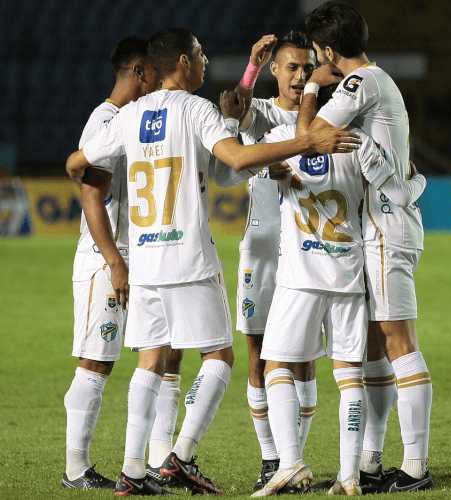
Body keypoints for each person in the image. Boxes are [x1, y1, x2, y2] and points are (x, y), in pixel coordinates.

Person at [66, 28, 360, 497]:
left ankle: (132, 471)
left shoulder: (131, 115)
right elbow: (237, 157)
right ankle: (180, 456)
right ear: (183, 62)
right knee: (220, 359)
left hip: (142, 261)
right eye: (201, 55)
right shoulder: (196, 109)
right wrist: (303, 145)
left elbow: (77, 161)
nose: (206, 63)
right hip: (187, 259)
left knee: (149, 361)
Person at [250, 82, 427, 496]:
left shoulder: (283, 140)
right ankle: (350, 474)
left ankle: (290, 462)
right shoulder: (357, 141)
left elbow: (247, 158)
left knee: (275, 366)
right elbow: (396, 192)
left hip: (300, 277)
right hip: (348, 275)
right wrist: (417, 182)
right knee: (350, 376)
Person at [298, 2, 434, 493]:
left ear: (329, 51)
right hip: (381, 226)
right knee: (378, 348)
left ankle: (416, 467)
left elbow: (309, 136)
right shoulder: (378, 83)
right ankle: (372, 460)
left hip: (385, 230)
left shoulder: (360, 83)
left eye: (318, 53)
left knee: (399, 344)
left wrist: (313, 86)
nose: (316, 59)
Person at [63, 36, 183, 492]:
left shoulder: (137, 119)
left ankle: (155, 461)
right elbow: (92, 196)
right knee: (97, 362)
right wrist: (114, 261)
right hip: (106, 262)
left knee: (165, 355)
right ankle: (76, 468)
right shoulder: (107, 120)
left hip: (143, 258)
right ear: (139, 71)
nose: (158, 79)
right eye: (153, 71)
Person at [215, 31, 321, 493]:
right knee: (258, 357)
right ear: (276, 70)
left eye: (307, 67)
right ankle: (271, 459)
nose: (300, 76)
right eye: (292, 67)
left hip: (308, 254)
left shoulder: (321, 118)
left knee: (304, 361)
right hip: (262, 252)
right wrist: (250, 68)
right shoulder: (260, 112)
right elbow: (233, 108)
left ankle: (294, 460)